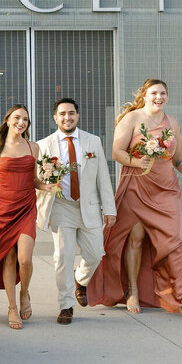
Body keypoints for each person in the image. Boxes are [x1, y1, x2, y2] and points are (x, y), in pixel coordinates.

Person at [87, 79, 182, 314]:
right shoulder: (132, 119)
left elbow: (176, 157)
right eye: (154, 93)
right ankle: (133, 291)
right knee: (135, 240)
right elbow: (116, 152)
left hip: (166, 189)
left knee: (175, 240)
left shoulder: (172, 122)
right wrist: (136, 161)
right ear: (145, 95)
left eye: (163, 93)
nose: (159, 97)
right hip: (137, 187)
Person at [35, 98, 115, 325]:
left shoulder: (93, 141)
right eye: (62, 114)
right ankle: (66, 305)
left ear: (77, 116)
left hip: (88, 207)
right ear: (55, 118)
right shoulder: (44, 145)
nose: (67, 117)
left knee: (95, 254)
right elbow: (38, 181)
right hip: (61, 207)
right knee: (63, 256)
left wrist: (110, 209)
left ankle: (80, 279)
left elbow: (103, 178)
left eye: (71, 113)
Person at [0, 104, 42, 330]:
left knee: (25, 259)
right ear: (7, 120)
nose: (21, 122)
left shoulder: (33, 147)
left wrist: (48, 186)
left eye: (25, 119)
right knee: (8, 258)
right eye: (17, 118)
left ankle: (24, 292)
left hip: (26, 206)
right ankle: (11, 307)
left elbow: (34, 180)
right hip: (3, 207)